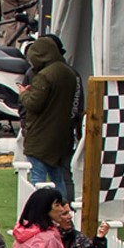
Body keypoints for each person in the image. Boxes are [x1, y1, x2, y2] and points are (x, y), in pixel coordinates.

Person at [19, 36, 78, 201]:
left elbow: (33, 103)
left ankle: (39, 216)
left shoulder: (44, 76)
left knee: (37, 180)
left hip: (40, 137)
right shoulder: (69, 72)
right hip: (61, 136)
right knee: (59, 178)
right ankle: (64, 211)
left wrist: (24, 94)